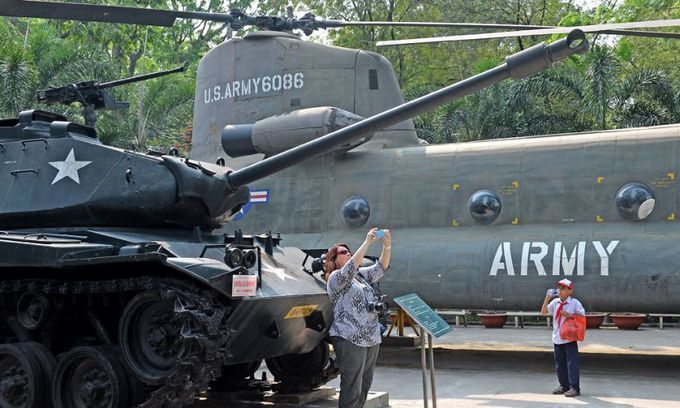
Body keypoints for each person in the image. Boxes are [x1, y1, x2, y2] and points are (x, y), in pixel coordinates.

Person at [323, 228, 391, 408]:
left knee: (365, 385)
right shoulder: (336, 278)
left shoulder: (360, 276)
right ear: (333, 259)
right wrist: (367, 242)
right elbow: (350, 267)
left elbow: (381, 267)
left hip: (370, 337)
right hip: (349, 337)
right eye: (343, 252)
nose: (348, 254)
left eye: (349, 251)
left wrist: (387, 245)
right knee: (352, 384)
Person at [541, 278, 585, 397]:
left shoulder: (575, 303)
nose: (559, 290)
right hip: (557, 337)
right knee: (560, 364)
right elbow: (543, 312)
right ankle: (564, 385)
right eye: (559, 287)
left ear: (570, 291)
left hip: (569, 338)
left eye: (563, 288)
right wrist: (547, 298)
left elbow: (582, 317)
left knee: (571, 364)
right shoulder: (555, 303)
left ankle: (574, 388)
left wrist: (569, 315)